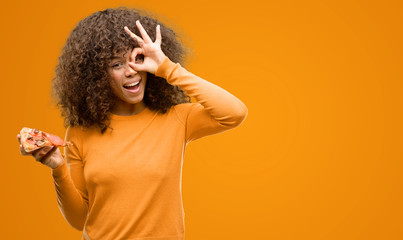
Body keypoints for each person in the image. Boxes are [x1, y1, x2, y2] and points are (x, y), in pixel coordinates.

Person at [17, 7, 248, 240]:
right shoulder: (79, 132)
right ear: (97, 75)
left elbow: (234, 113)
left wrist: (166, 68)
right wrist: (57, 168)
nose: (131, 72)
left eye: (138, 59)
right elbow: (79, 220)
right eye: (116, 64)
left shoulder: (177, 118)